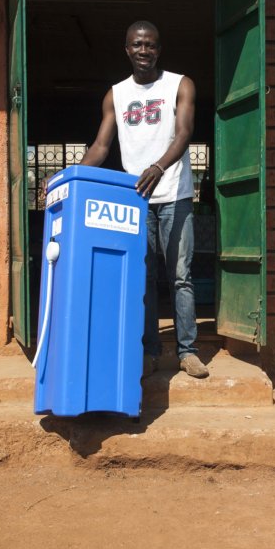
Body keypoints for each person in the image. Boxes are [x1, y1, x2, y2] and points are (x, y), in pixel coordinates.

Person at [80, 21, 208, 379]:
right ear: (127, 49)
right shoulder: (116, 95)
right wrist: (67, 175)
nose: (143, 51)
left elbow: (184, 133)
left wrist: (158, 167)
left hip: (175, 195)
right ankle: (150, 351)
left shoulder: (179, 85)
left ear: (158, 49)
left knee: (180, 277)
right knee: (143, 277)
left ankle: (187, 351)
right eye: (137, 45)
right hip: (135, 200)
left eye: (150, 45)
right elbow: (101, 147)